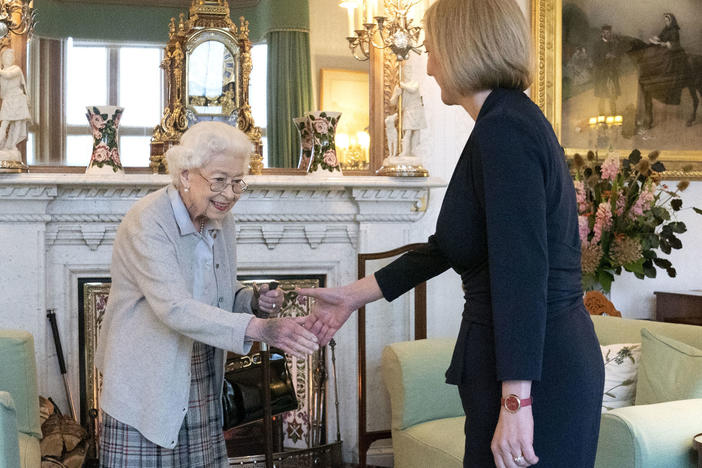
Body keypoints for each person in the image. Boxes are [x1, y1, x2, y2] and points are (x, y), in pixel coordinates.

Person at [298, 0, 604, 467]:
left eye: (434, 47)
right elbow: (451, 246)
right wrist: (352, 296)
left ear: (464, 48)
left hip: (538, 373)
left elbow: (522, 271)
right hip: (523, 364)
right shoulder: (502, 123)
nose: (431, 63)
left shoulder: (505, 130)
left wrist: (516, 401)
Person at [95, 121, 319, 467]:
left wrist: (253, 301)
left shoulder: (220, 221)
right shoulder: (147, 221)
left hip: (199, 370)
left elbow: (221, 291)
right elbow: (174, 307)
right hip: (146, 379)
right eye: (218, 180)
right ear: (185, 174)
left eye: (237, 182)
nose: (228, 194)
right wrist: (259, 329)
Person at [0, 48, 31, 160]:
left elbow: (8, 75)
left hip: (18, 99)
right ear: (2, 59)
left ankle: (12, 145)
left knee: (18, 123)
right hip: (8, 100)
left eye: (10, 57)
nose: (8, 59)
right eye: (5, 57)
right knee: (4, 123)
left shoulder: (16, 69)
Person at [389, 71, 427, 157]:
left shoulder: (414, 83)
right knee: (408, 131)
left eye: (409, 71)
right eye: (406, 71)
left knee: (416, 131)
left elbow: (413, 89)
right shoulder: (398, 86)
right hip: (407, 111)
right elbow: (392, 102)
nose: (408, 73)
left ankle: (413, 151)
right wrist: (396, 95)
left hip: (416, 109)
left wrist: (403, 86)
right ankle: (406, 151)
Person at [592, 25, 621, 115]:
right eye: (605, 33)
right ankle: (601, 116)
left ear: (610, 33)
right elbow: (595, 59)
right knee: (602, 96)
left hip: (612, 73)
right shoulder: (597, 45)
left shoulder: (614, 44)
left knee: (612, 95)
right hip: (601, 74)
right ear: (602, 33)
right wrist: (605, 57)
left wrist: (615, 58)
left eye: (609, 33)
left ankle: (614, 115)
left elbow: (619, 59)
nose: (607, 34)